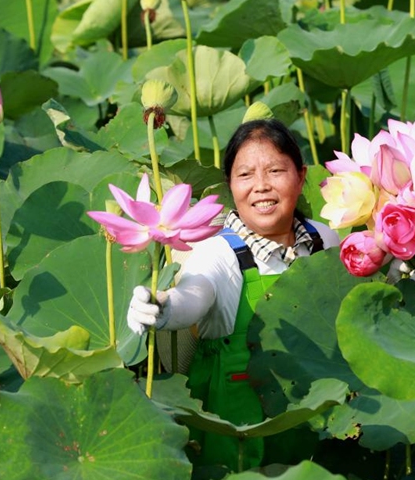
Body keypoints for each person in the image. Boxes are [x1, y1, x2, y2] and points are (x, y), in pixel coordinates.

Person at [126, 118, 340, 471]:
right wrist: (163, 308)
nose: (261, 187)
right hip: (235, 432)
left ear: (301, 177)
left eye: (275, 171)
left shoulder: (324, 241)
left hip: (312, 417)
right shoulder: (219, 252)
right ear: (230, 185)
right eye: (245, 175)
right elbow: (193, 295)